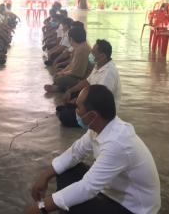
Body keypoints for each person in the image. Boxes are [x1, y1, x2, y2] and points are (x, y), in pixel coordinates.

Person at [26, 85, 160, 214]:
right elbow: (75, 152)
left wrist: (40, 208)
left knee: (75, 205)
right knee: (65, 172)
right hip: (112, 193)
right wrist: (45, 175)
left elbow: (87, 188)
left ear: (92, 116)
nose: (75, 111)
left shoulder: (118, 143)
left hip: (132, 208)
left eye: (78, 108)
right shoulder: (100, 128)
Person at [56, 40, 122, 127]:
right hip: (92, 98)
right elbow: (87, 81)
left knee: (64, 116)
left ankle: (78, 113)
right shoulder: (99, 64)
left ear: (102, 56)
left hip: (100, 110)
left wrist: (77, 102)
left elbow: (99, 100)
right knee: (66, 102)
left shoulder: (109, 74)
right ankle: (74, 109)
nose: (90, 55)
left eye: (93, 53)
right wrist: (70, 91)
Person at [44, 26, 91, 93]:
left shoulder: (81, 50)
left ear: (71, 39)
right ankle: (58, 87)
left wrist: (63, 73)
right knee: (58, 75)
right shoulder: (80, 46)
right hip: (76, 74)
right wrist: (63, 71)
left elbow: (78, 73)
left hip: (82, 79)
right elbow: (71, 64)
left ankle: (59, 88)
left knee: (57, 79)